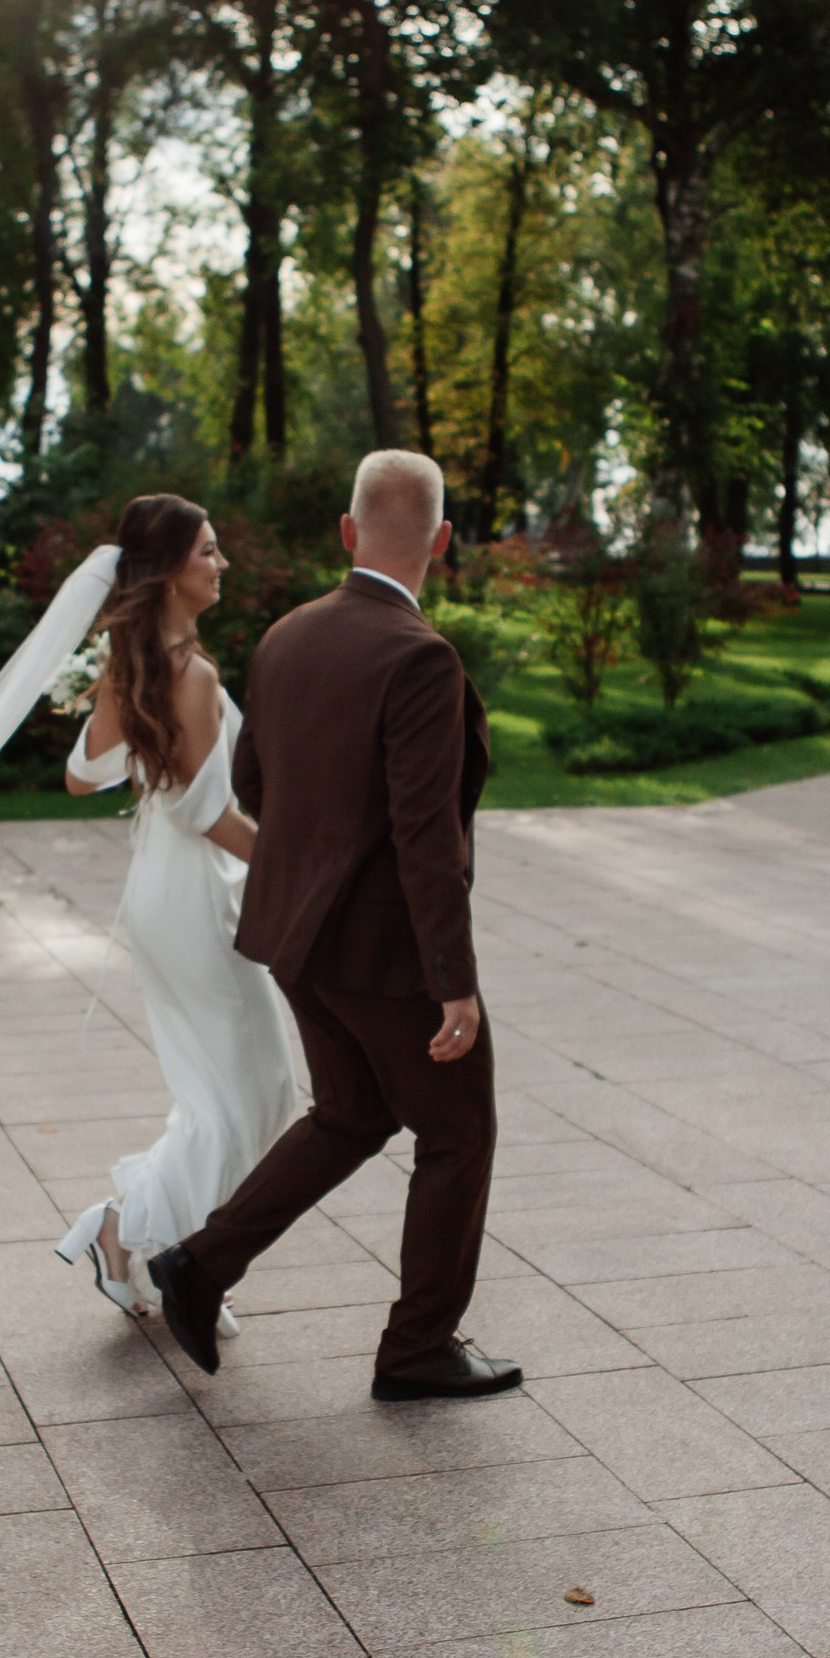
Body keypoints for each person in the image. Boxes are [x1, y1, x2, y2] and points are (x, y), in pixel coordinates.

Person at [148, 450, 522, 1406]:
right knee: (459, 1132)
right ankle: (416, 1348)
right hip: (379, 953)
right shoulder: (419, 657)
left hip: (291, 937)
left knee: (354, 1114)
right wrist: (455, 981)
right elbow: (424, 841)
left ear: (348, 533)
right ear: (441, 541)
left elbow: (259, 788)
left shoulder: (286, 635)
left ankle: (199, 1263)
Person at [53, 495, 298, 1319]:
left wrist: (108, 700)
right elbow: (205, 813)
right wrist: (297, 866)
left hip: (168, 891)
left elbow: (83, 774)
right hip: (194, 898)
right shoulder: (187, 672)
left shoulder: (136, 668)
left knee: (237, 1095)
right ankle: (140, 1233)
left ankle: (162, 1245)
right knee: (255, 1094)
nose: (219, 563)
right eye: (207, 550)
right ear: (166, 571)